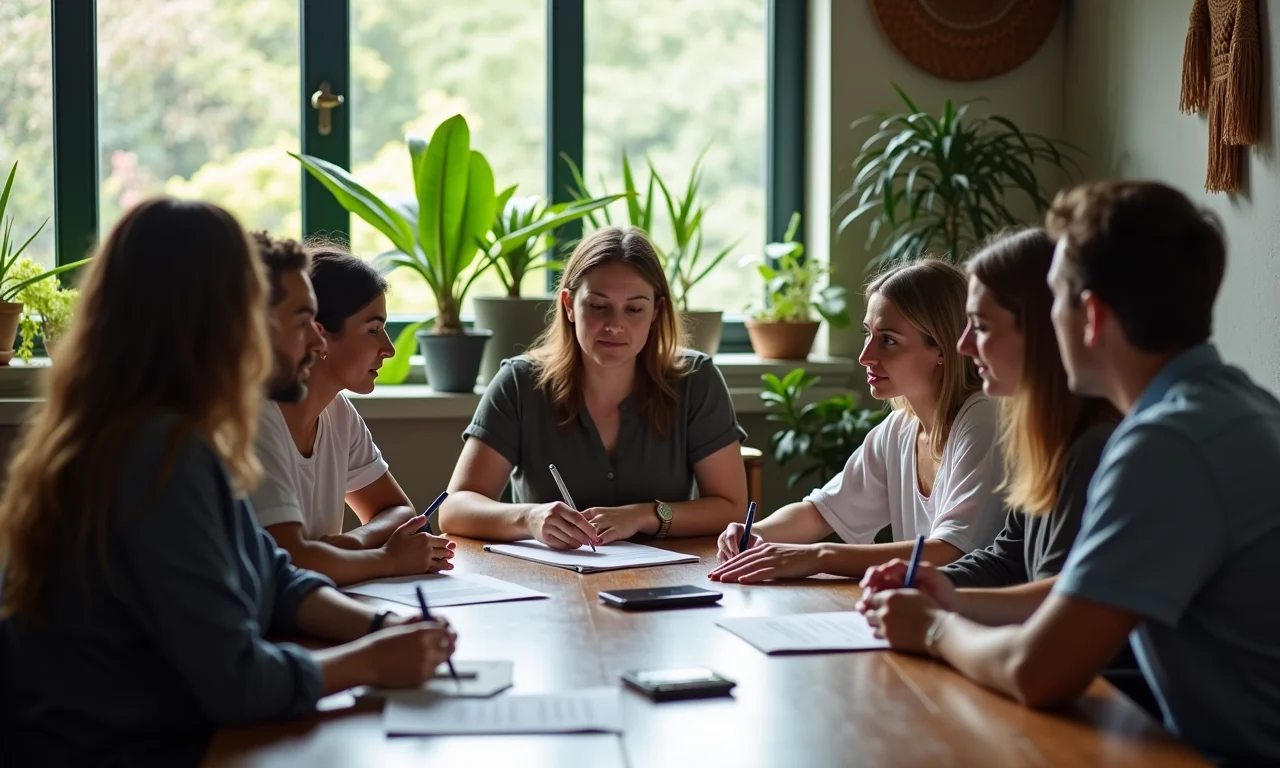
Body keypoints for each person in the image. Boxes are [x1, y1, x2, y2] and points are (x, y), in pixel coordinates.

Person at [0, 199, 456, 767]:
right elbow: (237, 679)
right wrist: (370, 661)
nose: (316, 343)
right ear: (225, 320)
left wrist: (384, 625)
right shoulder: (157, 456)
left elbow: (274, 575)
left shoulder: (175, 434)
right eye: (298, 323)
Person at [858, 181, 1280, 767]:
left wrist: (932, 628)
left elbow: (1037, 672)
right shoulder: (1230, 405)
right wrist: (951, 596)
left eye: (1053, 301)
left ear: (1091, 316)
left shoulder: (1164, 445)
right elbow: (1081, 589)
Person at [438, 225, 749, 549]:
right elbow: (455, 508)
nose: (615, 324)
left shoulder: (696, 379)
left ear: (656, 312)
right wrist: (529, 518)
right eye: (599, 306)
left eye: (634, 309)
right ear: (569, 305)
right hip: (546, 585)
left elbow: (730, 508)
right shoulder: (520, 383)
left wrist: (642, 515)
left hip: (667, 583)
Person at [710, 259, 1005, 583]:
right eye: (868, 333)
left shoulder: (982, 420)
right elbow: (820, 513)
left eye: (888, 340)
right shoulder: (899, 430)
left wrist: (818, 556)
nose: (865, 355)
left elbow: (948, 552)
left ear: (943, 349)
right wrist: (755, 535)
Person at [250, 237, 454, 586]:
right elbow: (291, 561)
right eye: (373, 330)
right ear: (320, 335)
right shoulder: (258, 418)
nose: (388, 349)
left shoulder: (337, 411)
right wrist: (387, 559)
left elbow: (397, 510)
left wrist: (353, 542)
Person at [941, 227, 1118, 589]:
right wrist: (926, 582)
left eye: (981, 326)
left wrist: (937, 616)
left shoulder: (1095, 448)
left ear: (1041, 330)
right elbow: (1008, 560)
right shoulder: (1048, 433)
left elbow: (1056, 605)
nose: (963, 345)